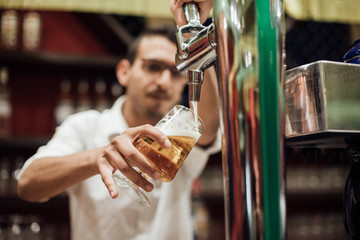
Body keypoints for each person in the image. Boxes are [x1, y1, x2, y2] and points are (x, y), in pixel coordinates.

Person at [17, 2, 219, 240]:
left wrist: (192, 34)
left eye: (176, 73)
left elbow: (209, 124)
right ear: (124, 72)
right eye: (153, 67)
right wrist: (96, 157)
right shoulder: (86, 126)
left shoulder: (181, 133)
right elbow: (28, 184)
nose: (164, 82)